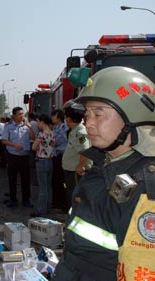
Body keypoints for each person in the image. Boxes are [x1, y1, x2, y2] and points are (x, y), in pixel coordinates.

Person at [53, 66, 155, 281]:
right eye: (87, 114)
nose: (88, 123)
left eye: (98, 113)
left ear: (133, 117)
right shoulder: (105, 164)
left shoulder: (146, 187)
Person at [2, 107, 35, 208]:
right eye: (19, 114)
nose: (22, 116)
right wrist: (14, 145)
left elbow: (33, 138)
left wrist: (30, 128)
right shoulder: (8, 127)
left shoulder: (27, 126)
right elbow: (4, 141)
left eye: (23, 114)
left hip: (24, 156)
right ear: (14, 116)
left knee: (26, 179)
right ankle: (13, 199)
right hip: (12, 156)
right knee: (12, 179)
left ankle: (26, 200)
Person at [62, 100, 92, 209]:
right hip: (71, 170)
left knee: (75, 198)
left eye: (66, 117)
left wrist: (80, 166)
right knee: (71, 195)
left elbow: (85, 150)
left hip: (76, 172)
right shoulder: (74, 131)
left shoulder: (80, 133)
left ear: (69, 119)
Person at [31, 114, 55, 216]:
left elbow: (33, 147)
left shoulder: (42, 134)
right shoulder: (52, 133)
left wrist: (37, 147)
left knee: (42, 188)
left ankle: (40, 210)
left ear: (42, 122)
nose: (37, 124)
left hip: (41, 161)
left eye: (38, 122)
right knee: (48, 186)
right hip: (50, 161)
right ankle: (48, 208)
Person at [51, 109, 69, 211]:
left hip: (62, 156)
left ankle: (62, 204)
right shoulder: (55, 127)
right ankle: (56, 202)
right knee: (55, 180)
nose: (52, 118)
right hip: (56, 155)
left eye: (53, 116)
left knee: (61, 181)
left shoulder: (64, 128)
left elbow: (57, 141)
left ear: (58, 116)